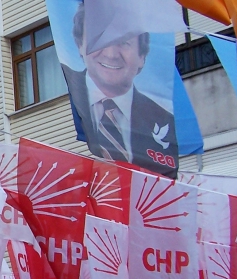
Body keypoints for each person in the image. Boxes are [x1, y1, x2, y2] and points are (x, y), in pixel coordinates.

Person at [63, 2, 177, 177]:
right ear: (80, 45)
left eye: (123, 42)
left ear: (142, 56)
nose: (111, 54)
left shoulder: (163, 119)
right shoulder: (66, 95)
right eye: (99, 39)